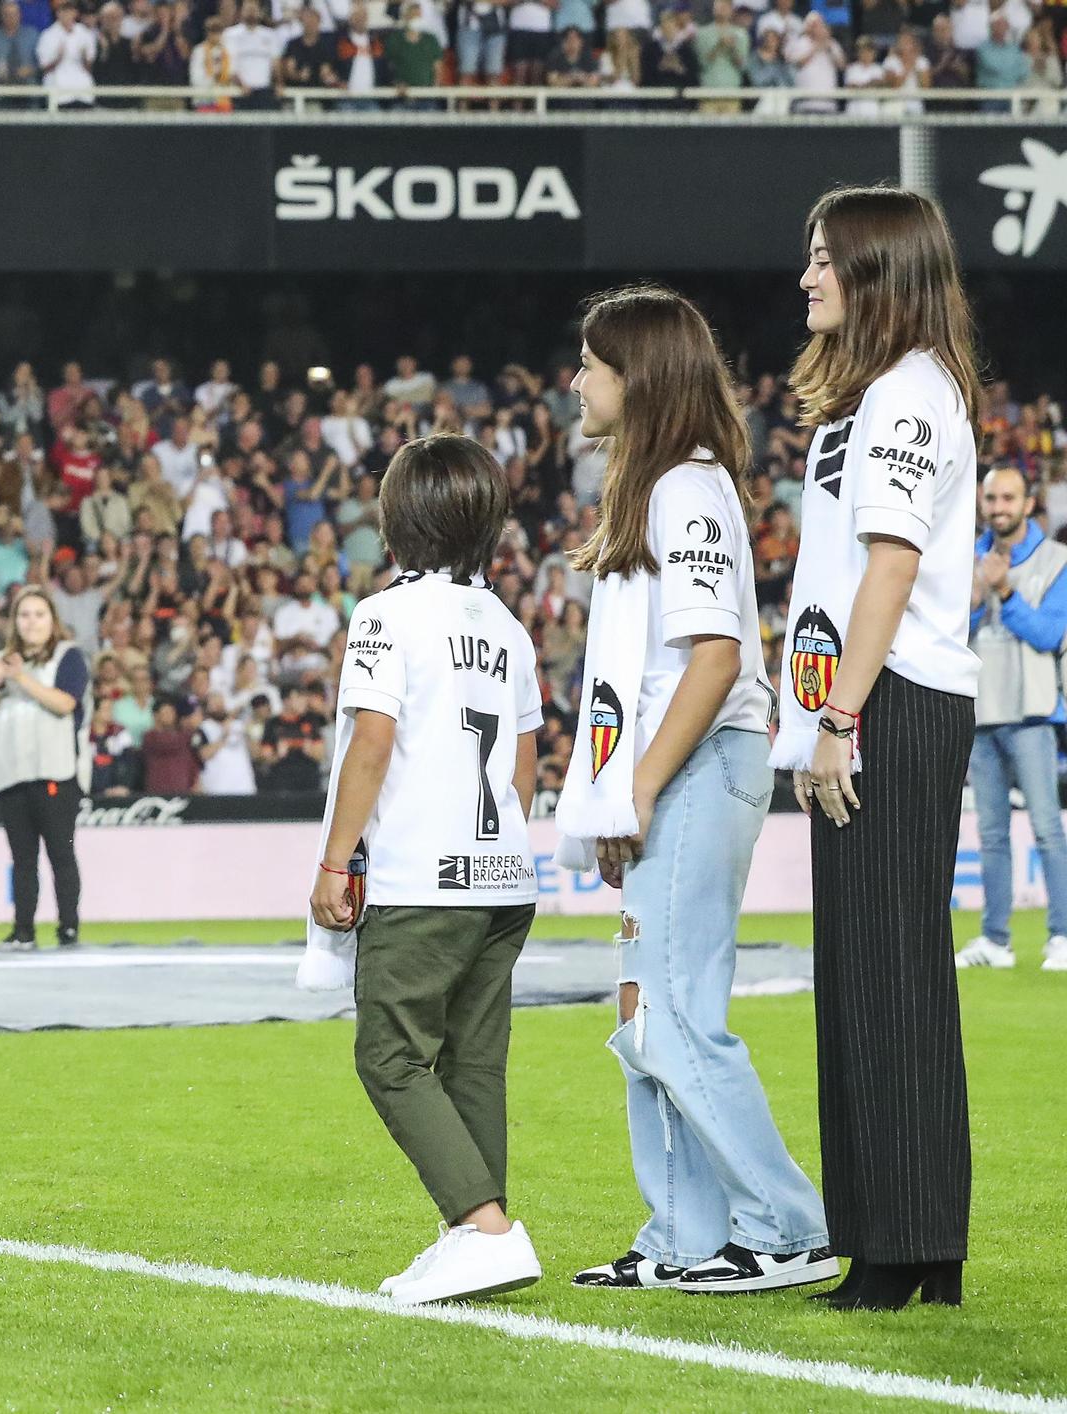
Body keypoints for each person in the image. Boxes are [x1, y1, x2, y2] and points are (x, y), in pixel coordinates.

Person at [555, 287, 834, 1294]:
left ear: (639, 377)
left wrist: (629, 787)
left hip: (697, 766)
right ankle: (680, 1232)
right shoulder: (659, 488)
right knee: (644, 1015)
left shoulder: (684, 489)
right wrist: (613, 792)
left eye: (589, 363)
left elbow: (714, 658)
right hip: (671, 772)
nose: (575, 381)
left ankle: (787, 1225)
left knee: (671, 1013)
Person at [774, 186, 984, 1310]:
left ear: (876, 271)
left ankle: (899, 1250)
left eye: (824, 258)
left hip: (888, 700)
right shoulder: (877, 395)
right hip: (877, 695)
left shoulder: (903, 394)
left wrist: (836, 720)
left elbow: (890, 568)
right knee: (873, 973)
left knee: (885, 973)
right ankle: (909, 1244)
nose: (806, 276)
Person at [301, 434, 544, 1305]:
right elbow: (522, 764)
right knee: (474, 1061)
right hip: (501, 874)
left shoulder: (386, 616)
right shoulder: (509, 628)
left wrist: (336, 860)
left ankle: (481, 1227)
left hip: (423, 876)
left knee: (391, 1057)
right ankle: (477, 1235)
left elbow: (372, 740)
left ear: (397, 520)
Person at [960, 466, 1067, 971]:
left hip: (1031, 716)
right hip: (981, 714)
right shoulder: (966, 561)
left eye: (1009, 497)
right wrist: (978, 602)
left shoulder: (1056, 560)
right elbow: (954, 633)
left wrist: (1004, 593)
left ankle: (1062, 936)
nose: (998, 506)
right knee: (992, 835)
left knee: (1048, 829)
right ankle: (995, 941)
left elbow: (1050, 634)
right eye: (991, 498)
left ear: (1029, 504)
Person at [0, 586, 91, 951]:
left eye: (39, 614)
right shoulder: (3, 659)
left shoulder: (67, 656)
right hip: (12, 773)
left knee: (61, 852)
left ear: (52, 620)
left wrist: (21, 677)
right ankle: (23, 930)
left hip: (54, 771)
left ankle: (68, 928)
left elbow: (64, 703)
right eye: (24, 615)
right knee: (22, 859)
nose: (31, 622)